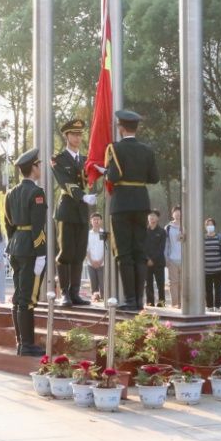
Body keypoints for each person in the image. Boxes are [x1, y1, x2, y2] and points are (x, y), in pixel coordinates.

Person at [102, 109, 160, 311]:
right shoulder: (147, 150)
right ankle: (139, 300)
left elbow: (113, 176)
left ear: (121, 128)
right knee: (139, 251)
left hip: (121, 204)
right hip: (141, 203)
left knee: (124, 253)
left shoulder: (115, 148)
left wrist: (105, 172)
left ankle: (130, 299)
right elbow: (154, 178)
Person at [5, 148, 48, 356]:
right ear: (33, 168)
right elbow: (38, 226)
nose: (40, 168)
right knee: (28, 298)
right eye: (38, 165)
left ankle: (21, 342)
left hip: (16, 246)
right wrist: (41, 252)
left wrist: (14, 242)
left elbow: (8, 223)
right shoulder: (37, 193)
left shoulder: (11, 193)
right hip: (31, 248)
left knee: (18, 296)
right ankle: (27, 345)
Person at [51, 118, 95, 306]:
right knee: (66, 252)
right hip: (67, 209)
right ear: (66, 136)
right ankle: (64, 293)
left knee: (79, 253)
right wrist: (82, 196)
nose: (77, 138)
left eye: (79, 135)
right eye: (74, 134)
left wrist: (98, 170)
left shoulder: (85, 160)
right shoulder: (58, 159)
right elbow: (65, 183)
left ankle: (75, 293)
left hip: (82, 211)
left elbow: (89, 180)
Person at [144, 210, 168, 306]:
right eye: (150, 215)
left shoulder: (162, 232)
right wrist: (147, 259)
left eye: (154, 216)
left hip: (159, 262)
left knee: (160, 284)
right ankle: (150, 302)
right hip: (146, 262)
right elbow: (141, 246)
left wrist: (152, 259)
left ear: (158, 218)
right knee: (148, 284)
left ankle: (161, 303)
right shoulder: (143, 231)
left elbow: (161, 248)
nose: (151, 217)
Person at [203, 217, 221, 310]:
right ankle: (209, 306)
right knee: (208, 289)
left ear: (214, 226)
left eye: (211, 224)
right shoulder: (203, 238)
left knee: (218, 289)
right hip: (206, 269)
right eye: (208, 225)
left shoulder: (219, 237)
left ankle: (217, 306)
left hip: (217, 268)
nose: (210, 226)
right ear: (205, 227)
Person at [164, 205, 183, 305]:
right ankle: (175, 304)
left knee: (183, 283)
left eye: (179, 212)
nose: (178, 214)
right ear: (172, 214)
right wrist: (166, 258)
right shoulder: (168, 227)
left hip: (185, 260)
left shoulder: (186, 226)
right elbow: (166, 244)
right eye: (176, 212)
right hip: (172, 259)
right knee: (173, 283)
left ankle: (183, 304)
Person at [87, 213, 107, 302]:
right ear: (91, 221)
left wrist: (101, 261)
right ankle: (95, 301)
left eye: (98, 219)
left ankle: (104, 301)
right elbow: (86, 249)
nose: (96, 221)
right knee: (93, 285)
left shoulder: (104, 233)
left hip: (102, 264)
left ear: (101, 221)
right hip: (90, 264)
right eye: (94, 219)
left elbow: (106, 249)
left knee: (103, 285)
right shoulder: (88, 234)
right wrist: (91, 261)